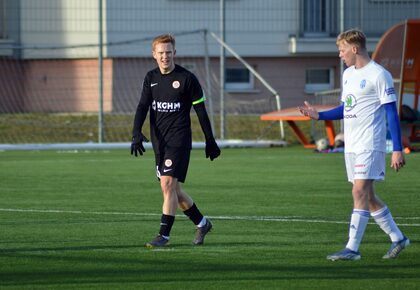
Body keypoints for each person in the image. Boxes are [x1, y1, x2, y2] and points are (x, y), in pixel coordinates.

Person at [299, 29, 409, 261]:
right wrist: (318, 115)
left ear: (354, 48)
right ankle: (398, 238)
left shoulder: (379, 75)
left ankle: (352, 248)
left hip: (371, 143)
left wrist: (397, 148)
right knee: (367, 197)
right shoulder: (348, 74)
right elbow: (345, 108)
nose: (340, 55)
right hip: (352, 146)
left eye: (341, 50)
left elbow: (391, 113)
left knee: (358, 191)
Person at [131, 34, 220, 248]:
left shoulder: (188, 79)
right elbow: (142, 107)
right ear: (154, 54)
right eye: (160, 53)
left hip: (179, 139)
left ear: (175, 53)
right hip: (159, 142)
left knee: (168, 183)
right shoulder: (150, 78)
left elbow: (201, 112)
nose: (165, 56)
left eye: (168, 52)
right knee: (172, 190)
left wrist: (210, 140)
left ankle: (163, 235)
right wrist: (136, 132)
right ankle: (202, 222)